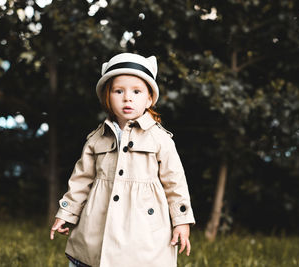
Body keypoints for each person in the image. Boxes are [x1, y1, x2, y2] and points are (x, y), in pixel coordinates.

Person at [50, 53, 195, 267]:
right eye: (119, 91)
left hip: (143, 228)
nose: (128, 98)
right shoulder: (96, 139)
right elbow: (81, 180)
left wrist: (181, 221)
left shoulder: (160, 139)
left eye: (136, 92)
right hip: (97, 223)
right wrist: (67, 212)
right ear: (107, 97)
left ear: (149, 99)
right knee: (90, 256)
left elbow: (175, 182)